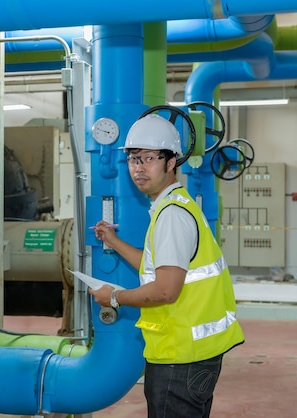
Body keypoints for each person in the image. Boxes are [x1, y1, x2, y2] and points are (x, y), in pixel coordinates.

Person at [89, 113, 245, 418]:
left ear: (171, 162)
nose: (139, 168)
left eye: (149, 158)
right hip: (191, 353)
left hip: (180, 357)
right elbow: (157, 268)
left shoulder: (171, 215)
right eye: (134, 159)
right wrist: (113, 240)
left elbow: (165, 290)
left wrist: (115, 298)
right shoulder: (173, 206)